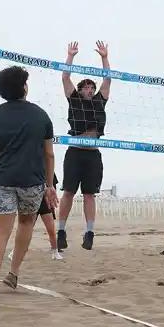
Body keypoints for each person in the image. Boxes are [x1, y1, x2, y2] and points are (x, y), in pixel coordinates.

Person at [0, 66, 57, 297]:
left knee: (0, 231)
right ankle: (13, 273)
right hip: (31, 181)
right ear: (24, 86)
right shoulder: (40, 115)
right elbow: (49, 154)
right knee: (25, 224)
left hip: (3, 179)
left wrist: (6, 152)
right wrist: (50, 185)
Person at [57, 41, 111, 252]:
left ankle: (89, 233)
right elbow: (65, 77)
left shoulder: (99, 101)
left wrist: (104, 57)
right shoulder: (74, 100)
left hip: (93, 154)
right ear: (80, 90)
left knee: (89, 194)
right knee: (69, 192)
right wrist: (70, 56)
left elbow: (107, 79)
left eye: (92, 87)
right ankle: (61, 231)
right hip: (75, 152)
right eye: (86, 87)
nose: (90, 89)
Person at [8, 173, 64, 262]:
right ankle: (14, 252)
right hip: (33, 202)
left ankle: (55, 252)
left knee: (51, 229)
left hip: (45, 203)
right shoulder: (33, 169)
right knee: (26, 229)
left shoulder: (50, 172)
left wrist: (51, 203)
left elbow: (53, 188)